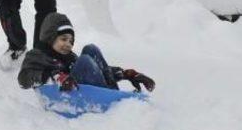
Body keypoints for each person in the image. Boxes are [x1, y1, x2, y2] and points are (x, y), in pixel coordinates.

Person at [18, 12, 156, 92]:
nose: (68, 44)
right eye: (63, 39)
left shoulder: (70, 58)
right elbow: (23, 79)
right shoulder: (38, 55)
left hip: (81, 89)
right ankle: (110, 96)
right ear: (50, 38)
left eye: (71, 41)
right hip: (63, 96)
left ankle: (111, 92)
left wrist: (126, 74)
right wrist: (53, 77)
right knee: (84, 61)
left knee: (90, 50)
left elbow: (96, 70)